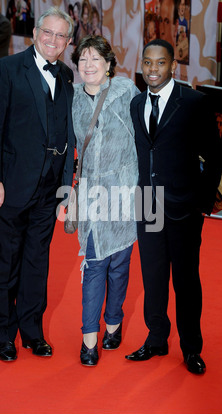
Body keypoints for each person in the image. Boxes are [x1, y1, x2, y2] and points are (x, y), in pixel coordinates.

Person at [0, 7, 75, 362]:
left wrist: (66, 186)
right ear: (35, 33)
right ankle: (3, 333)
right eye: (47, 33)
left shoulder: (65, 76)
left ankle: (32, 331)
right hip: (11, 185)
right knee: (4, 260)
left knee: (37, 262)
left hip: (48, 190)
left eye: (60, 36)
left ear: (67, 42)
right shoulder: (6, 69)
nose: (53, 40)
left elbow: (67, 135)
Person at [125, 39, 222, 374]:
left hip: (184, 206)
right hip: (147, 205)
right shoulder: (137, 104)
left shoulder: (194, 102)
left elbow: (214, 157)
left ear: (173, 66)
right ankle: (156, 339)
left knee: (185, 280)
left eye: (160, 63)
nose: (153, 69)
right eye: (147, 63)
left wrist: (202, 203)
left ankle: (191, 348)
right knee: (152, 276)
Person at [71, 35, 139, 366]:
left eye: (96, 58)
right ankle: (89, 339)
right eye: (83, 59)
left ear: (109, 65)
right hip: (93, 196)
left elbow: (148, 134)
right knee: (95, 264)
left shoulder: (127, 92)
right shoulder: (72, 100)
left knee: (120, 265)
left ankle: (114, 322)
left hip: (126, 193)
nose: (88, 65)